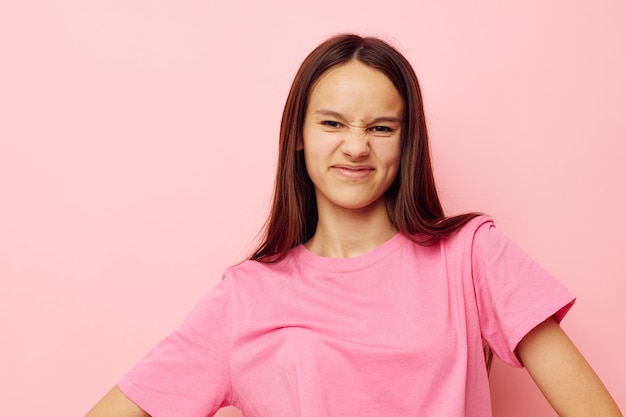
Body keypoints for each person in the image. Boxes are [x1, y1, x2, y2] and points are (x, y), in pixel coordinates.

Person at [85, 34, 622, 417]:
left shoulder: (472, 256)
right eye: (333, 123)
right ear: (298, 134)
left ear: (406, 142)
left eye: (382, 127)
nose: (357, 146)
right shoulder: (243, 298)